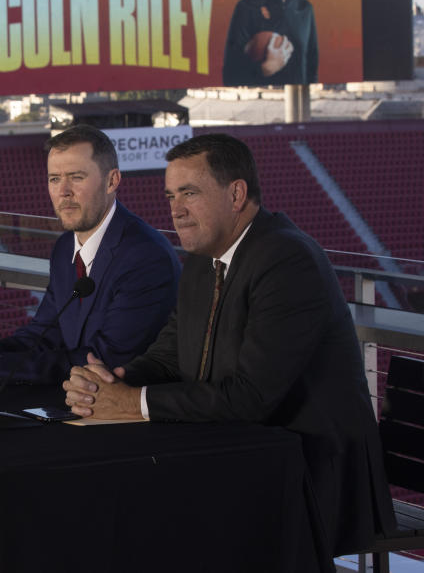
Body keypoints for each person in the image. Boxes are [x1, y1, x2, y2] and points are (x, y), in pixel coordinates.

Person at [63, 133, 394, 560]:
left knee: (150, 512)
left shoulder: (286, 259)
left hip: (312, 473)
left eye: (189, 193)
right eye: (170, 196)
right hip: (243, 455)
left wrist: (130, 403)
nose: (175, 209)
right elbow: (168, 354)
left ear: (236, 193)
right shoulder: (204, 259)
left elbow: (251, 398)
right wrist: (109, 383)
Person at [0, 125, 180, 385]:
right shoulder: (65, 248)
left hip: (126, 410)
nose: (63, 191)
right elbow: (43, 335)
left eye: (76, 177)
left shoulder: (146, 257)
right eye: (54, 179)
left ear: (112, 181)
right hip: (76, 397)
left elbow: (105, 360)